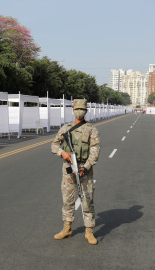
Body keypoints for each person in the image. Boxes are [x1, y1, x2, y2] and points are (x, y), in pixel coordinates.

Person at [51, 99, 100, 245]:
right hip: (68, 169)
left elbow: (95, 151)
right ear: (73, 110)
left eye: (82, 109)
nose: (80, 111)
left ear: (86, 111)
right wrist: (62, 153)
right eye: (77, 109)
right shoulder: (65, 128)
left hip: (85, 169)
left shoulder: (92, 129)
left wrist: (86, 166)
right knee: (68, 200)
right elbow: (54, 145)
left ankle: (89, 231)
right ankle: (67, 228)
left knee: (87, 200)